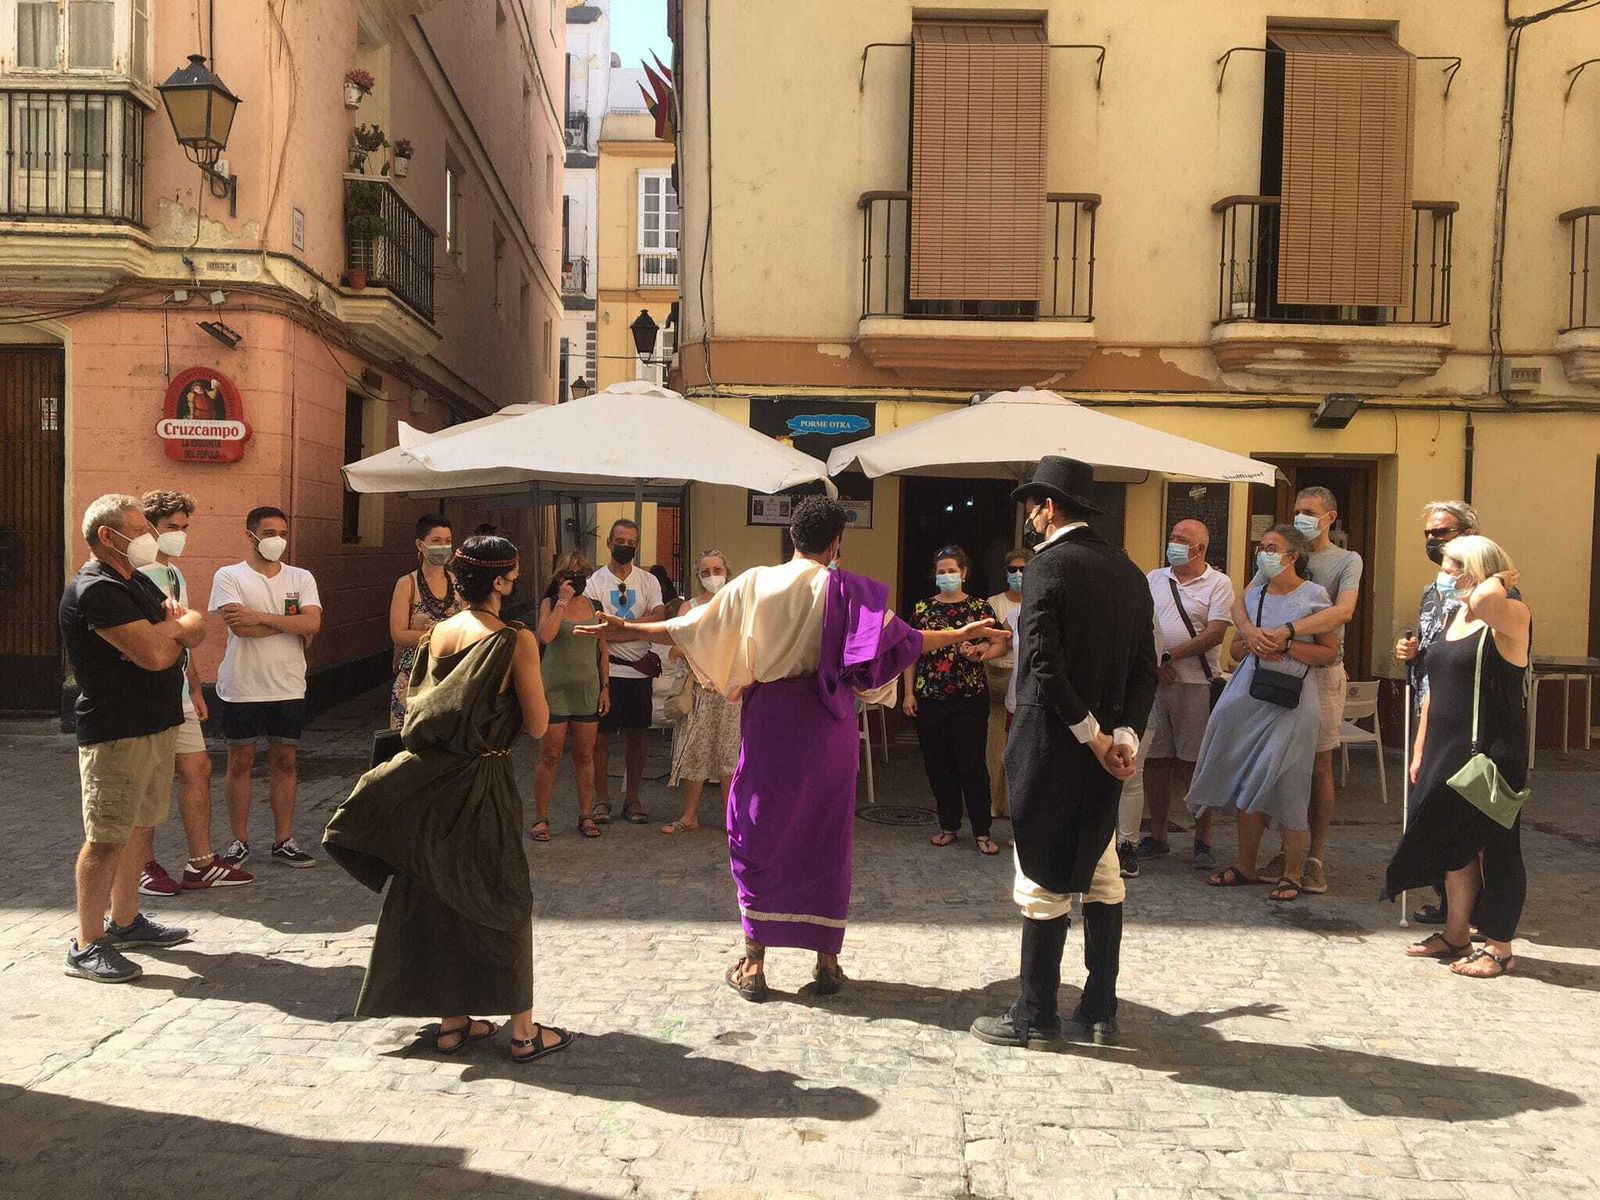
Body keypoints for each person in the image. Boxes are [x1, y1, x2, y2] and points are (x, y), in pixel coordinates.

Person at [578, 497, 1008, 1000]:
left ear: (792, 538)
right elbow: (906, 641)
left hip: (772, 722)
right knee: (827, 835)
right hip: (830, 726)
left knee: (758, 827)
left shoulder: (756, 582)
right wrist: (960, 632)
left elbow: (689, 627)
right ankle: (827, 963)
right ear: (835, 544)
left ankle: (755, 965)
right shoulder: (846, 589)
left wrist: (624, 628)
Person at [324, 535, 572, 1061]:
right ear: (503, 581)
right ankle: (524, 1031)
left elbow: (419, 703)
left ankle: (453, 1022)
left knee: (439, 894)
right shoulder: (513, 639)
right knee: (503, 897)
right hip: (483, 781)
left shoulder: (436, 633)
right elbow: (537, 724)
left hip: (430, 785)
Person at [971, 457, 1158, 1050]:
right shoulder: (1129, 571)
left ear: (1048, 507)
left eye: (1033, 505)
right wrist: (1122, 738)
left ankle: (1035, 1015)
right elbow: (1143, 669)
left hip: (1056, 747)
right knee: (1103, 876)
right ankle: (1101, 1009)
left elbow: (1045, 667)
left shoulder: (1049, 566)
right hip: (1110, 753)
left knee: (1041, 880)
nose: (1029, 516)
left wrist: (1095, 736)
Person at [60, 495, 204, 982]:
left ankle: (125, 921)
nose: (151, 536)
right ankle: (86, 943)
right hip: (116, 732)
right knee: (105, 838)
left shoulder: (136, 580)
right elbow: (156, 656)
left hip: (156, 722)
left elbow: (196, 626)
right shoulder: (96, 590)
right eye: (141, 528)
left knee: (141, 827)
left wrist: (177, 628)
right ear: (108, 536)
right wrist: (177, 629)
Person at [1384, 536, 1530, 979]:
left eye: (1452, 568)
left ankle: (1499, 946)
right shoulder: (1455, 614)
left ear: (1476, 572)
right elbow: (1435, 688)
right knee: (1453, 842)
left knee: (1495, 846)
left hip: (1490, 751)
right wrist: (1420, 748)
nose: (1442, 575)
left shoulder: (1507, 614)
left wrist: (1497, 579)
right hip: (1445, 746)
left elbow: (1488, 598)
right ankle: (1456, 933)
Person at [1186, 526, 1339, 901]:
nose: (1264, 554)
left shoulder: (1315, 596)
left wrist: (1285, 646)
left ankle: (1292, 871)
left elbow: (1328, 653)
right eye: (1262, 547)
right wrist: (1253, 641)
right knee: (1248, 777)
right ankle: (1246, 863)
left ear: (1293, 556)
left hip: (1292, 702)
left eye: (1273, 548)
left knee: (1289, 779)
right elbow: (1237, 650)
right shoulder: (1253, 596)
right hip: (1250, 698)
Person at [1232, 486, 1362, 896]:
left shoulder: (1346, 560)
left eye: (1309, 512)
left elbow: (1343, 611)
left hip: (1319, 668)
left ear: (1330, 517)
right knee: (1272, 761)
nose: (1301, 517)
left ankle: (1313, 859)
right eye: (1297, 511)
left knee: (1318, 765)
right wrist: (1252, 633)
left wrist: (1287, 633)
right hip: (1273, 669)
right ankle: (1282, 852)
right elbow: (1244, 599)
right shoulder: (1280, 550)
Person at [136, 490, 253, 893]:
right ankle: (142, 864)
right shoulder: (138, 573)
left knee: (197, 769)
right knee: (150, 779)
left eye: (185, 528)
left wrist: (196, 687)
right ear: (149, 528)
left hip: (180, 692)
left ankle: (201, 863)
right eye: (172, 528)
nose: (180, 535)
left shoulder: (175, 574)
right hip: (149, 692)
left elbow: (185, 636)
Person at [210, 506, 323, 868]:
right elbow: (239, 628)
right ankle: (239, 841)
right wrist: (292, 624)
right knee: (239, 761)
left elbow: (314, 623)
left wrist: (259, 615)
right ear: (251, 535)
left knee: (285, 760)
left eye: (282, 533)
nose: (278, 540)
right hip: (242, 686)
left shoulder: (301, 577)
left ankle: (283, 840)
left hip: (288, 685)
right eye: (270, 533)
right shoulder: (229, 576)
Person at [1394, 501, 1480, 925]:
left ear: (1467, 533)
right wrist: (1407, 652)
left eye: (1441, 532)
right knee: (1431, 808)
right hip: (1427, 708)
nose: (1432, 540)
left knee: (1462, 815)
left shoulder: (1490, 592)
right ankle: (1449, 902)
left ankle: (1473, 909)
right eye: (1428, 533)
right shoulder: (1434, 589)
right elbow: (1430, 646)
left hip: (1466, 719)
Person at [1137, 519, 1235, 871]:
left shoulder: (1219, 584)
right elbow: (1142, 624)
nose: (1174, 543)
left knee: (1194, 762)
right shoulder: (1154, 578)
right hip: (1155, 682)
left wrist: (1170, 656)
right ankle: (1159, 834)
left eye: (1182, 539)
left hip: (1195, 683)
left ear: (1200, 549)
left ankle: (1203, 837)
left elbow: (1215, 633)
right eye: (1173, 536)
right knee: (1156, 759)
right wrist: (1153, 663)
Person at [904, 546, 1000, 855]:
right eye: (941, 572)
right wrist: (908, 693)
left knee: (971, 764)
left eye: (951, 571)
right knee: (938, 763)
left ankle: (982, 830)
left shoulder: (979, 608)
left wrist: (981, 652)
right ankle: (948, 825)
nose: (946, 576)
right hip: (930, 696)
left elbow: (999, 642)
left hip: (970, 697)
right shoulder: (922, 609)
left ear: (964, 573)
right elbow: (911, 652)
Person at [584, 519, 665, 825]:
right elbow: (595, 625)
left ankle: (632, 798)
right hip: (606, 673)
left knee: (637, 739)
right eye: (621, 540)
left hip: (638, 673)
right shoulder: (595, 582)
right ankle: (602, 799)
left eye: (632, 542)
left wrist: (619, 631)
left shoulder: (648, 581)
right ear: (609, 542)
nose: (626, 546)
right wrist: (636, 628)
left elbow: (659, 616)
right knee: (601, 739)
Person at [663, 551, 743, 835]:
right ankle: (689, 815)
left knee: (728, 754)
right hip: (698, 691)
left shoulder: (738, 604)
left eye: (717, 569)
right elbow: (674, 649)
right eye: (705, 571)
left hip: (730, 691)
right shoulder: (689, 608)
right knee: (694, 751)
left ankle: (730, 818)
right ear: (697, 576)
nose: (712, 576)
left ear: (727, 570)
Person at [532, 552, 608, 841]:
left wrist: (606, 687)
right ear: (560, 575)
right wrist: (562, 601)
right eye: (572, 572)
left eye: (583, 572)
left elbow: (603, 651)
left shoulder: (596, 606)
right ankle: (541, 817)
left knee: (585, 755)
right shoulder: (550, 604)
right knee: (550, 755)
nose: (578, 577)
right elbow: (546, 637)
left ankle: (586, 814)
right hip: (554, 690)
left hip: (586, 689)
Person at [389, 514, 463, 730]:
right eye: (436, 541)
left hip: (452, 676)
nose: (443, 547)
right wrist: (443, 633)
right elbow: (399, 633)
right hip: (414, 678)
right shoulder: (407, 584)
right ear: (420, 545)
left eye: (447, 541)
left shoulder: (458, 584)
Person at [984, 549, 1030, 819]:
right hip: (999, 682)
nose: (1018, 575)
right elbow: (998, 642)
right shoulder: (1000, 607)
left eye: (1023, 570)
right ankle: (994, 803)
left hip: (1029, 687)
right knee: (996, 748)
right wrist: (981, 652)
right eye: (1012, 570)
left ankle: (1019, 811)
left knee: (1022, 753)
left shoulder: (1044, 604)